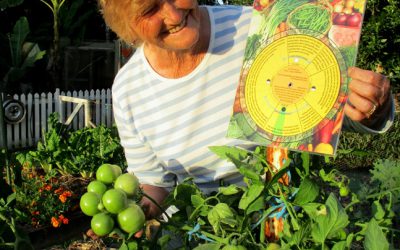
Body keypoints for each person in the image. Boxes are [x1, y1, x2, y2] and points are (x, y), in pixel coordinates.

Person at [97, 0, 394, 219]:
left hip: (288, 219)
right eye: (150, 10)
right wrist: (138, 208)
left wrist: (370, 105)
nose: (174, 14)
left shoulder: (261, 28)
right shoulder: (129, 90)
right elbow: (155, 181)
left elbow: (324, 107)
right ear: (126, 27)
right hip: (208, 233)